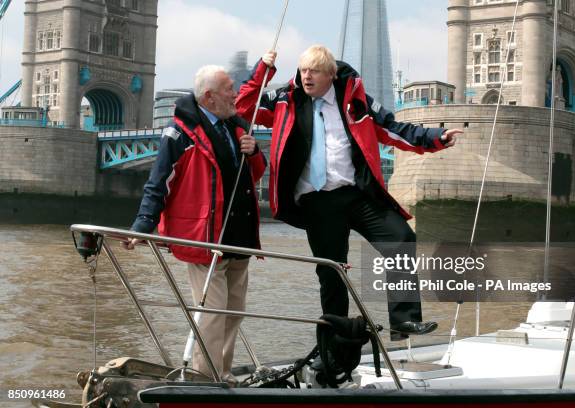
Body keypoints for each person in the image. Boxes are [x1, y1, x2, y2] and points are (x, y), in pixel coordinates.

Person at [236, 45, 462, 340]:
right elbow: (243, 107)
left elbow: (393, 129)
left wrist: (435, 138)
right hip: (317, 202)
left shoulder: (356, 102)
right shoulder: (284, 100)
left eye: (314, 71)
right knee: (332, 273)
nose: (307, 77)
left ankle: (403, 320)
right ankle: (335, 345)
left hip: (358, 194)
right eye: (303, 70)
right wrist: (262, 71)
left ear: (330, 74)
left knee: (401, 238)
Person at [124, 65, 266, 381]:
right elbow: (159, 182)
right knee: (213, 313)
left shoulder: (237, 127)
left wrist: (254, 152)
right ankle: (207, 378)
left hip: (239, 238)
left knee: (233, 313)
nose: (235, 93)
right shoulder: (179, 134)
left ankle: (223, 374)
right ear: (209, 97)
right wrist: (142, 226)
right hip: (205, 240)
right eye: (230, 88)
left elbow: (253, 174)